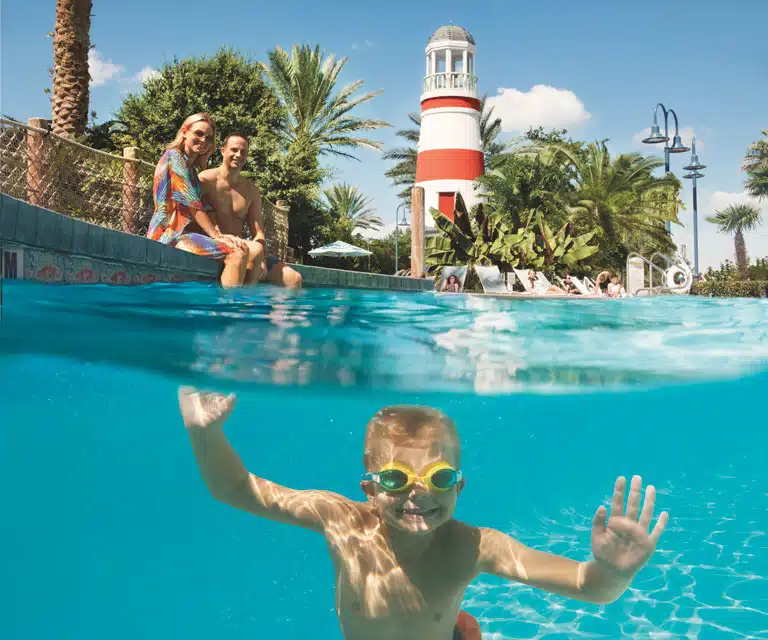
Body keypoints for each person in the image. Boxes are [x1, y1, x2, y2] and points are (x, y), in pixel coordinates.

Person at [178, 387, 669, 640]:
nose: (418, 495)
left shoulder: (474, 547)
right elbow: (235, 489)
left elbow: (591, 589)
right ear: (370, 488)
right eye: (395, 479)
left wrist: (611, 571)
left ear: (460, 483)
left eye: (437, 478)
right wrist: (205, 432)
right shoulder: (341, 519)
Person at [146, 113, 250, 288]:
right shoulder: (174, 156)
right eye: (199, 134)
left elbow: (205, 207)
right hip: (167, 235)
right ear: (184, 132)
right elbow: (192, 203)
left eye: (209, 138)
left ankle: (229, 302)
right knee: (236, 253)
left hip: (184, 235)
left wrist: (221, 234)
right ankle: (228, 310)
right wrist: (217, 236)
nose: (204, 140)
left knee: (240, 248)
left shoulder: (192, 171)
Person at [198, 134, 302, 289]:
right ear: (222, 151)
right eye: (234, 150)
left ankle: (267, 310)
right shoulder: (206, 180)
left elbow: (258, 232)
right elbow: (197, 216)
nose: (238, 155)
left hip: (245, 246)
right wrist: (255, 252)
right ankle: (241, 305)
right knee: (252, 250)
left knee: (294, 279)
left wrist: (261, 258)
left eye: (243, 152)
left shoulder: (251, 190)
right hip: (216, 241)